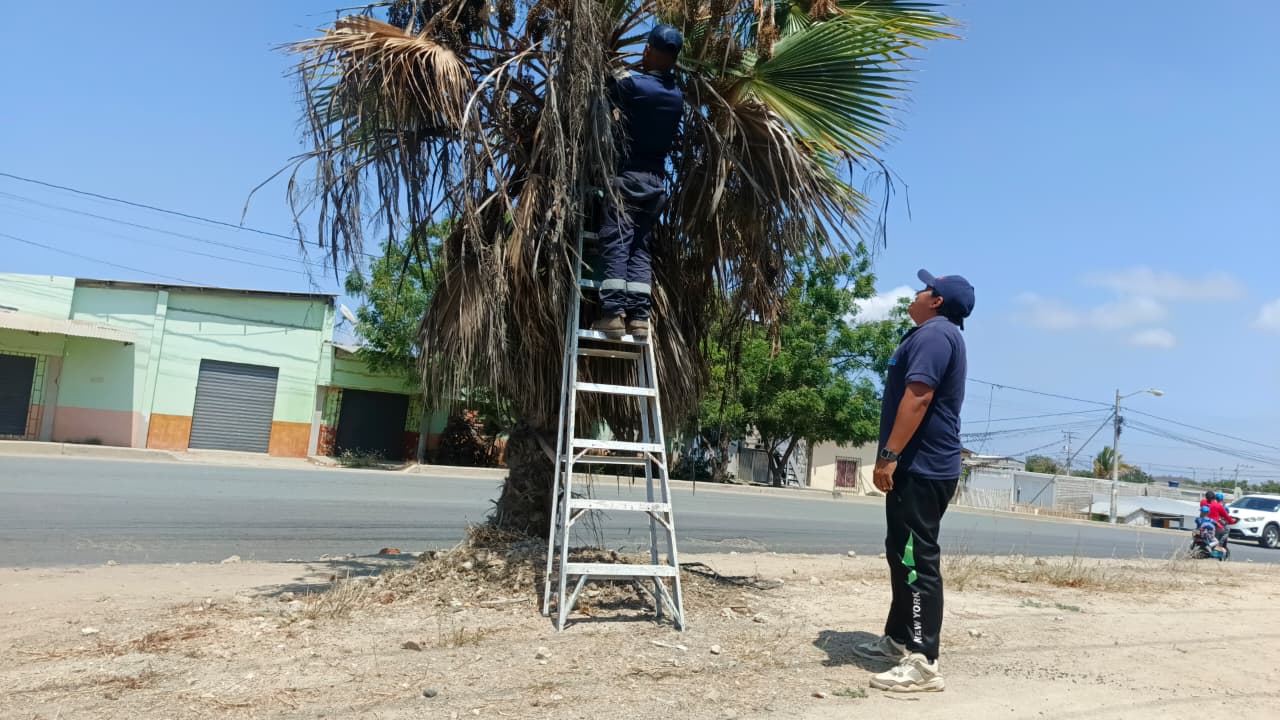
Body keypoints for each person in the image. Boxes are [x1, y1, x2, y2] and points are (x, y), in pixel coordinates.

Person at [852, 269, 975, 693]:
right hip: (918, 467)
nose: (918, 292)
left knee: (916, 560)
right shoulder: (931, 334)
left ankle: (924, 662)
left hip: (923, 467)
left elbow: (918, 397)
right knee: (900, 554)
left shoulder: (935, 336)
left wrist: (889, 456)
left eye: (926, 288)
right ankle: (899, 638)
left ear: (936, 301)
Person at [590, 24, 684, 340]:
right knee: (640, 248)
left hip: (628, 179)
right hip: (655, 184)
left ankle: (613, 314)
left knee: (617, 240)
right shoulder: (676, 97)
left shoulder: (634, 85)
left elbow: (605, 87)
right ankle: (640, 318)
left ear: (649, 50)